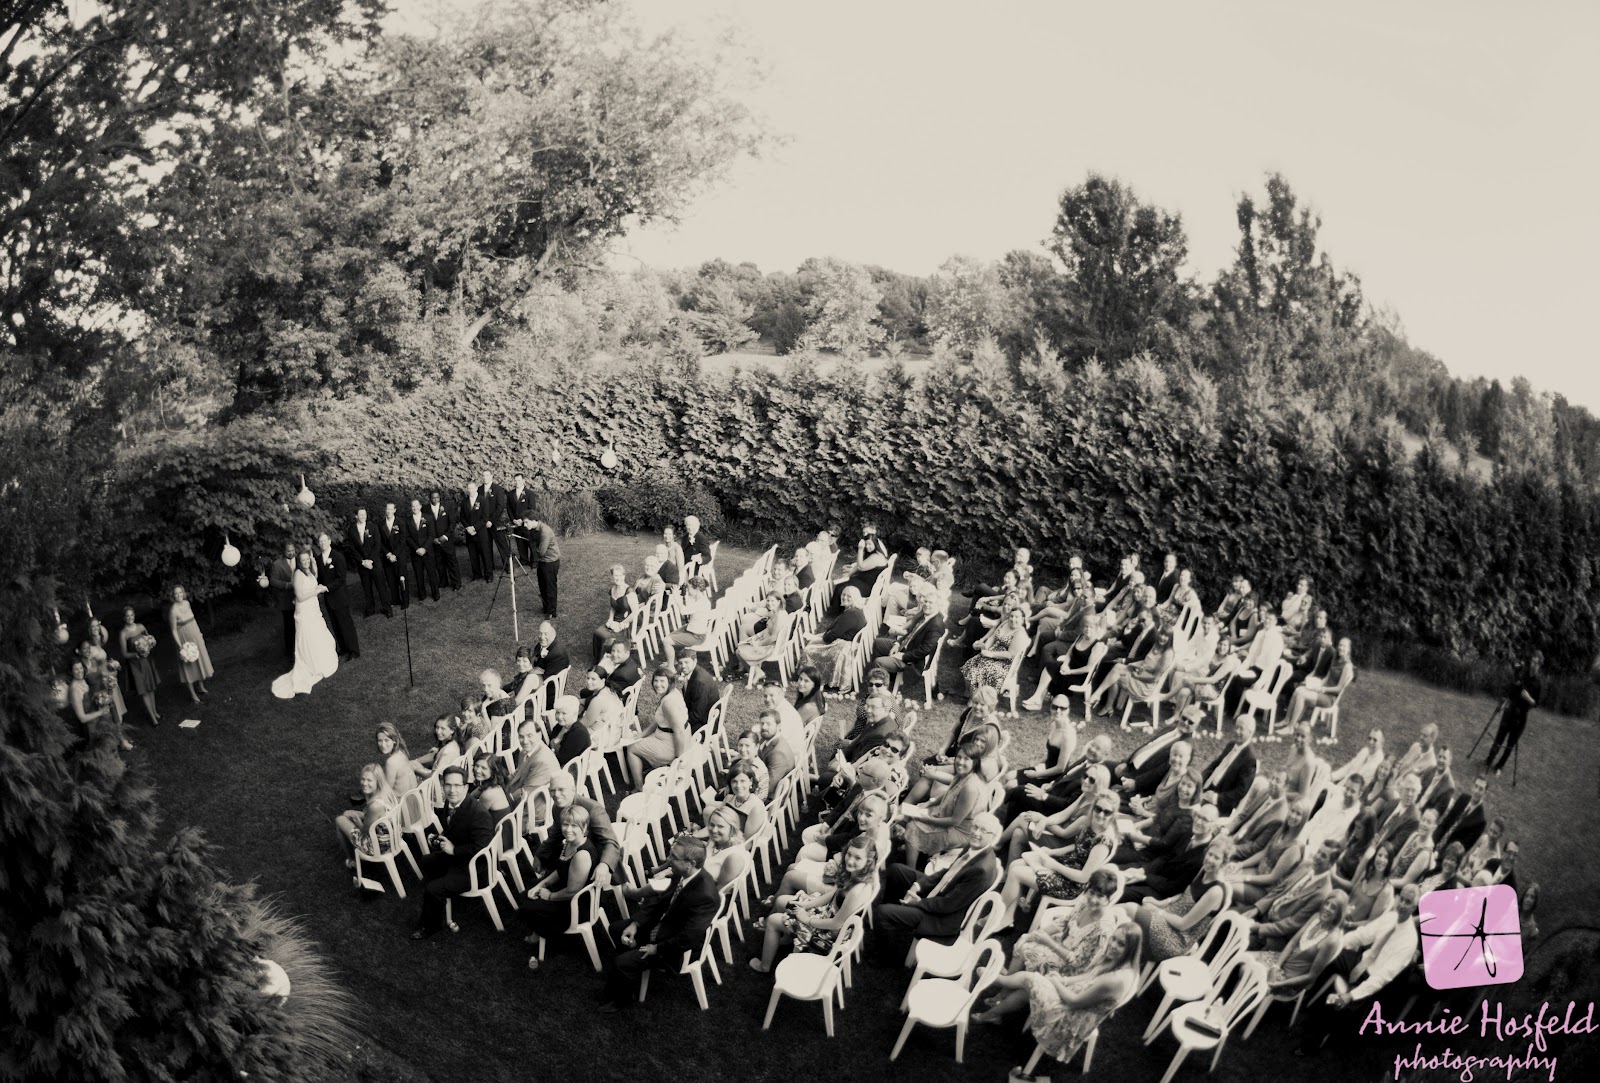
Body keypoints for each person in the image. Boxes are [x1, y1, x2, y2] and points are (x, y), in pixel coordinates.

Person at [979, 923, 1144, 1065]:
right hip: (1076, 1000)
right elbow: (1089, 976)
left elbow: (1073, 1002)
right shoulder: (1122, 965)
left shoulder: (1114, 980)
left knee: (1030, 980)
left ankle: (998, 980)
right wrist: (1063, 980)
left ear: (1130, 949)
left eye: (1121, 944)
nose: (1113, 945)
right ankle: (992, 1014)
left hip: (1067, 1020)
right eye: (1113, 939)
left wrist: (1056, 983)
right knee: (1030, 988)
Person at [978, 869, 1123, 1021]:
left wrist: (1049, 942)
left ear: (1109, 899)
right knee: (1023, 945)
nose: (1093, 899)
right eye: (1091, 892)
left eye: (1100, 896)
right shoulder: (1084, 903)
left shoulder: (1103, 929)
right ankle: (1005, 991)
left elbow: (1079, 963)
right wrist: (1031, 935)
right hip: (1061, 946)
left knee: (1029, 958)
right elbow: (1063, 922)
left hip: (1072, 971)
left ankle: (1006, 985)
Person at [1294, 885, 1421, 1056]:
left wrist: (1352, 995)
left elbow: (1383, 977)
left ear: (1414, 907)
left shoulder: (1409, 941)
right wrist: (1335, 945)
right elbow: (1362, 935)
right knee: (1330, 956)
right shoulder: (1390, 917)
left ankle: (1311, 1044)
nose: (1402, 905)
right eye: (1402, 899)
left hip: (1372, 979)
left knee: (1339, 1002)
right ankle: (1307, 998)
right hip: (1361, 962)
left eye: (1408, 902)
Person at [599, 836, 719, 1013]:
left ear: (691, 863)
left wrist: (656, 949)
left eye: (674, 857)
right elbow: (658, 900)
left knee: (621, 962)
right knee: (616, 929)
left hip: (672, 948)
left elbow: (688, 938)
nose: (668, 860)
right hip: (662, 925)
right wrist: (636, 924)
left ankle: (622, 999)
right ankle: (628, 969)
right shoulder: (681, 873)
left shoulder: (706, 896)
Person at [871, 813, 1002, 963]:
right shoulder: (975, 847)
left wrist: (918, 903)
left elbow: (949, 904)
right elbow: (948, 873)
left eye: (984, 831)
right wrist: (918, 885)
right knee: (896, 870)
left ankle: (888, 958)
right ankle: (893, 921)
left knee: (881, 913)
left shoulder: (981, 870)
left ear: (993, 837)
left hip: (943, 918)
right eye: (975, 827)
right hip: (944, 890)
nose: (976, 833)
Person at [749, 836, 879, 974]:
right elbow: (834, 894)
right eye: (849, 854)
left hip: (828, 934)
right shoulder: (858, 874)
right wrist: (808, 904)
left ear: (868, 861)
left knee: (773, 920)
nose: (850, 860)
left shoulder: (856, 891)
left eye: (857, 858)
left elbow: (836, 924)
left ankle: (764, 966)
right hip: (828, 914)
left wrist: (807, 919)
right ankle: (787, 938)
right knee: (782, 901)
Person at [412, 767, 494, 939]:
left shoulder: (479, 813)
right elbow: (454, 829)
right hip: (458, 858)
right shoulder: (451, 803)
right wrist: (439, 838)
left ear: (466, 787)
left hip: (475, 868)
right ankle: (440, 894)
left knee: (432, 889)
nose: (452, 790)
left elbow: (482, 848)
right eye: (448, 785)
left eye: (457, 785)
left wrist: (454, 850)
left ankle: (430, 926)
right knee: (426, 861)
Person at [520, 804, 600, 970]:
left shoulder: (582, 855)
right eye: (565, 824)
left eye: (574, 826)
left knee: (527, 906)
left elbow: (572, 891)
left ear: (584, 827)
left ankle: (542, 934)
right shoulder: (569, 842)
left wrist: (549, 896)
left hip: (576, 905)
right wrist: (542, 884)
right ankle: (538, 931)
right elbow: (561, 869)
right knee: (526, 895)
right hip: (565, 890)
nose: (568, 829)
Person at [1132, 835, 1234, 961]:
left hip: (1176, 939)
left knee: (1129, 909)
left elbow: (1183, 924)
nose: (1210, 859)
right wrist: (1160, 903)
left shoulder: (1216, 891)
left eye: (1216, 858)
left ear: (1224, 863)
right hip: (1168, 918)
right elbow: (1186, 894)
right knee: (1130, 921)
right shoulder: (1204, 870)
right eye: (1210, 854)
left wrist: (1158, 911)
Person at [271, 550, 340, 699]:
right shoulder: (297, 574)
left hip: (313, 609)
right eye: (303, 560)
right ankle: (311, 664)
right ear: (299, 562)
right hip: (305, 611)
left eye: (307, 559)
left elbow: (313, 579)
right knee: (309, 636)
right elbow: (300, 596)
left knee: (317, 634)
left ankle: (321, 660)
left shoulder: (309, 572)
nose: (306, 562)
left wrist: (314, 565)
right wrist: (316, 591)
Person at [626, 666, 691, 784]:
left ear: (670, 682)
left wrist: (679, 758)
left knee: (631, 749)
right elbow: (661, 720)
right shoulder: (674, 692)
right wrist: (642, 734)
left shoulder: (668, 704)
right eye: (656, 680)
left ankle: (639, 786)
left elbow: (679, 731)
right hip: (678, 737)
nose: (658, 684)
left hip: (673, 745)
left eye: (662, 681)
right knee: (640, 741)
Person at [1487, 650, 1541, 774]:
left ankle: (1499, 766)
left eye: (1536, 663)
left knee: (1510, 744)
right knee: (1499, 738)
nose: (1533, 665)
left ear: (1539, 665)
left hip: (1521, 717)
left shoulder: (1538, 683)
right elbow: (1511, 691)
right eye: (1532, 661)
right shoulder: (1522, 674)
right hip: (1510, 711)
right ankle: (1489, 759)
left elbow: (1536, 703)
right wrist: (1504, 703)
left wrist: (1529, 698)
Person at [336, 763, 398, 869]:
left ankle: (352, 861)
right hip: (394, 836)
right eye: (363, 779)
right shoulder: (387, 792)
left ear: (378, 781)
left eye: (369, 780)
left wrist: (358, 821)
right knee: (347, 813)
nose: (364, 783)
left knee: (339, 819)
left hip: (379, 847)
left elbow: (365, 831)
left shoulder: (375, 806)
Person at [1200, 715, 1259, 815]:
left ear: (1250, 732)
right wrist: (1200, 779)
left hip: (1221, 800)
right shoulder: (1231, 745)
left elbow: (1241, 790)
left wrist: (1216, 798)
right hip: (1209, 787)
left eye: (1241, 729)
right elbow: (1216, 764)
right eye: (1236, 727)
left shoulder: (1250, 758)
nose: (1237, 731)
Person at [315, 532, 360, 660]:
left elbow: (341, 579)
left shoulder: (338, 557)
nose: (323, 543)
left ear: (329, 541)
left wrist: (327, 588)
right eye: (321, 541)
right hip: (329, 599)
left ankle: (353, 650)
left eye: (325, 540)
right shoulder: (318, 559)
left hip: (340, 597)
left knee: (345, 624)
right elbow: (320, 578)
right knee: (335, 624)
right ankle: (343, 648)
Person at [167, 584, 213, 703]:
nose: (178, 595)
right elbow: (173, 630)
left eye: (180, 592)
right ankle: (193, 694)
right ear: (173, 596)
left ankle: (201, 687)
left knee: (199, 661)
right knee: (188, 667)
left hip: (195, 636)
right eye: (176, 593)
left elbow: (193, 620)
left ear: (183, 593)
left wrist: (199, 634)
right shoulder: (173, 611)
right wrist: (180, 647)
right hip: (184, 640)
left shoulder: (187, 603)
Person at [118, 607, 161, 726]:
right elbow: (124, 654)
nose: (130, 618)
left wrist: (149, 644)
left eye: (131, 615)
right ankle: (153, 718)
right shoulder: (123, 634)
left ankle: (155, 712)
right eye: (127, 616)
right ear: (124, 618)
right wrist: (136, 654)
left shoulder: (141, 627)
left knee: (151, 688)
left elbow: (149, 639)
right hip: (135, 664)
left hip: (146, 661)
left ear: (134, 615)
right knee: (144, 690)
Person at [345, 508, 392, 616]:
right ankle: (370, 610)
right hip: (362, 564)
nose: (363, 516)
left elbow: (377, 544)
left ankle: (387, 609)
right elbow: (352, 549)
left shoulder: (373, 527)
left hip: (375, 562)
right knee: (367, 588)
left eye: (365, 514)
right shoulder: (352, 530)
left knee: (381, 586)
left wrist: (370, 560)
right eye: (361, 514)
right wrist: (362, 562)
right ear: (356, 516)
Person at [400, 498, 440, 603]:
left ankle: (435, 593)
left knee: (432, 573)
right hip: (415, 552)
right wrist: (416, 548)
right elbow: (407, 537)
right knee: (418, 574)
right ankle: (422, 594)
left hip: (428, 551)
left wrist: (424, 548)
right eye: (413, 506)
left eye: (416, 506)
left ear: (420, 506)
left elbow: (431, 535)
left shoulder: (428, 518)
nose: (415, 508)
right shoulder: (407, 521)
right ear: (411, 508)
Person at [524, 515, 562, 619]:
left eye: (526, 522)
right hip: (542, 561)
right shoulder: (535, 529)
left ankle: (551, 611)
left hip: (550, 562)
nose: (525, 525)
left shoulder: (545, 532)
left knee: (550, 587)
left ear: (533, 520)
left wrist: (533, 545)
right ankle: (546, 607)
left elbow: (541, 552)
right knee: (542, 585)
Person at [426, 489, 461, 592]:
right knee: (439, 562)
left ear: (439, 497)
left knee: (452, 561)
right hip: (435, 541)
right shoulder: (425, 509)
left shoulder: (447, 506)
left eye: (437, 497)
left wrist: (445, 536)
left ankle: (456, 583)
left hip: (446, 539)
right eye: (433, 498)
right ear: (430, 498)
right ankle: (443, 582)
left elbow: (452, 523)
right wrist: (433, 539)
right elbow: (426, 526)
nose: (435, 499)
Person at [678, 650, 720, 733]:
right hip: (701, 717)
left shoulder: (699, 682)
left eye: (686, 662)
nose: (683, 666)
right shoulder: (695, 672)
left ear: (695, 661)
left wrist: (679, 723)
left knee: (669, 731)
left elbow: (697, 715)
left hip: (705, 725)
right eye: (680, 663)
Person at [268, 541, 297, 658]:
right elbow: (273, 581)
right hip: (286, 601)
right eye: (288, 551)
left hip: (301, 599)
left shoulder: (300, 559)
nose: (291, 553)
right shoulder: (277, 564)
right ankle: (290, 652)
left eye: (293, 550)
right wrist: (288, 585)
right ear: (283, 551)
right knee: (289, 627)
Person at [373, 722, 418, 794]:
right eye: (380, 741)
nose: (383, 745)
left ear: (394, 740)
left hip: (401, 799)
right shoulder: (401, 752)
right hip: (413, 795)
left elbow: (386, 791)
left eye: (386, 740)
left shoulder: (391, 762)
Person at [547, 695, 591, 766]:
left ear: (574, 714)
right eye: (557, 712)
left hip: (571, 767)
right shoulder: (559, 726)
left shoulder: (579, 733)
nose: (559, 717)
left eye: (564, 713)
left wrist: (556, 741)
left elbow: (562, 759)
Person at [378, 502, 406, 609]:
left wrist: (395, 554)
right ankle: (395, 600)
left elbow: (403, 540)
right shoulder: (381, 524)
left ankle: (405, 601)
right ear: (385, 510)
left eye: (391, 509)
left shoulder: (400, 522)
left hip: (399, 555)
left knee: (401, 578)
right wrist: (388, 554)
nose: (389, 511)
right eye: (387, 509)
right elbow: (380, 542)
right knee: (391, 579)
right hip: (388, 557)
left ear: (395, 510)